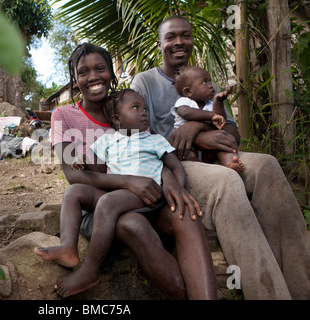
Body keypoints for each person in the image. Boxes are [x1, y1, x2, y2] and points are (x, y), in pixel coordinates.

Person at [130, 15, 310, 300]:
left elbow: (231, 135)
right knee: (226, 181)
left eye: (185, 35)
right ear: (159, 43)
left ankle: (303, 287)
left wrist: (196, 127)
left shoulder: (203, 76)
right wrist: (197, 135)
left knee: (267, 165)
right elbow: (138, 140)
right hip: (175, 165)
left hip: (216, 155)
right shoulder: (145, 83)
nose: (179, 42)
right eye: (171, 37)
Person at [34, 43, 217, 300]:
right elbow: (74, 176)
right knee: (132, 223)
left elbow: (151, 152)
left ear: (111, 71)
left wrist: (169, 180)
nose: (94, 77)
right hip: (101, 204)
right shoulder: (63, 115)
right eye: (83, 72)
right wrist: (130, 182)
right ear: (74, 79)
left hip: (146, 196)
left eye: (100, 68)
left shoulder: (128, 106)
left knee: (185, 214)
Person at [171, 65, 245, 173]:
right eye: (204, 82)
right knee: (189, 156)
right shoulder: (185, 102)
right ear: (188, 92)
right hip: (188, 145)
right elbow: (185, 113)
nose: (211, 86)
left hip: (208, 148)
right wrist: (210, 116)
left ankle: (230, 163)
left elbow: (220, 121)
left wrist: (218, 102)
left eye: (210, 81)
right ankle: (201, 172)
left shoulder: (209, 104)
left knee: (222, 148)